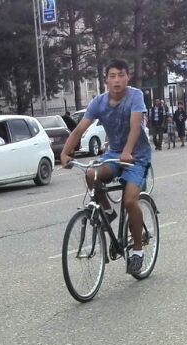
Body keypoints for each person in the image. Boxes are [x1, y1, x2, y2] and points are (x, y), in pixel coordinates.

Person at [60, 59, 154, 274]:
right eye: (112, 76)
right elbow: (79, 130)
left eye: (121, 75)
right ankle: (108, 211)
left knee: (130, 200)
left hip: (137, 156)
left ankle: (137, 251)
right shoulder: (98, 103)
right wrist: (65, 153)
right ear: (106, 81)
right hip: (113, 154)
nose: (117, 80)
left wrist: (128, 151)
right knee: (91, 174)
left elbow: (135, 127)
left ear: (127, 77)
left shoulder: (135, 96)